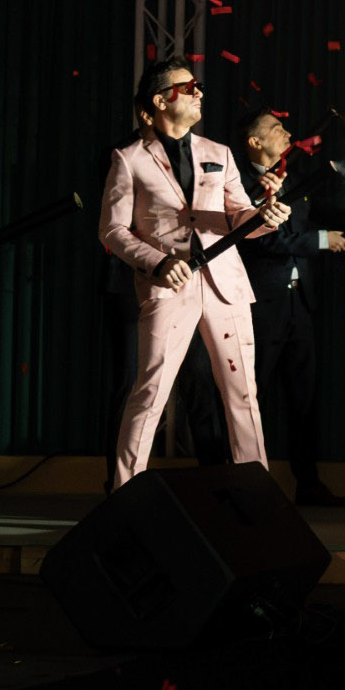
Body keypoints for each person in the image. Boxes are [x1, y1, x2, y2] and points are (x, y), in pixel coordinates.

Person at [99, 57, 289, 488]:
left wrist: (265, 216)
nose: (198, 92)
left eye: (197, 86)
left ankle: (257, 494)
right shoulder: (129, 158)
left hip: (226, 285)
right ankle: (125, 493)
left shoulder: (219, 153)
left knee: (243, 394)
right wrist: (157, 262)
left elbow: (239, 216)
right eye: (187, 87)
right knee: (150, 393)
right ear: (159, 100)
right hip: (169, 286)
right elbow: (111, 229)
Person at [236, 111, 345, 507]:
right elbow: (262, 240)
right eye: (276, 128)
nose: (288, 132)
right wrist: (321, 240)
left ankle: (308, 484)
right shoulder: (240, 185)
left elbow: (328, 216)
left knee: (304, 398)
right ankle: (245, 485)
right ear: (255, 142)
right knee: (250, 398)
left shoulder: (295, 179)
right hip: (262, 305)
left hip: (299, 303)